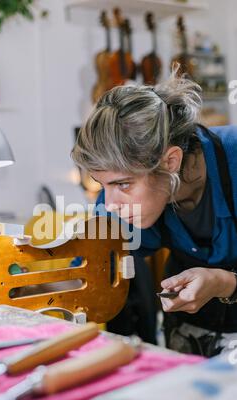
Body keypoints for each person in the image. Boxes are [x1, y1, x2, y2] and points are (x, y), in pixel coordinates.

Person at [71, 67, 237, 357]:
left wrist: (226, 283)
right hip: (188, 331)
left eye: (123, 183)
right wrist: (25, 283)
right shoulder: (121, 201)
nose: (110, 203)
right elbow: (86, 266)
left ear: (171, 160)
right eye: (103, 185)